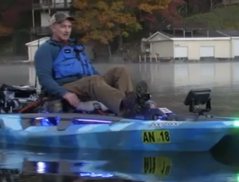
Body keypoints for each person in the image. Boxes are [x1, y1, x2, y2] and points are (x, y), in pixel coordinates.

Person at [34, 11, 165, 117]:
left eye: (69, 27)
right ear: (53, 27)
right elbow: (44, 79)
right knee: (94, 81)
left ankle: (132, 101)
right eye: (63, 26)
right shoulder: (46, 49)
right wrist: (64, 93)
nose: (67, 30)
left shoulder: (75, 47)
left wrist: (103, 84)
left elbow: (91, 71)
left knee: (120, 71)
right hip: (66, 86)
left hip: (88, 83)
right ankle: (126, 105)